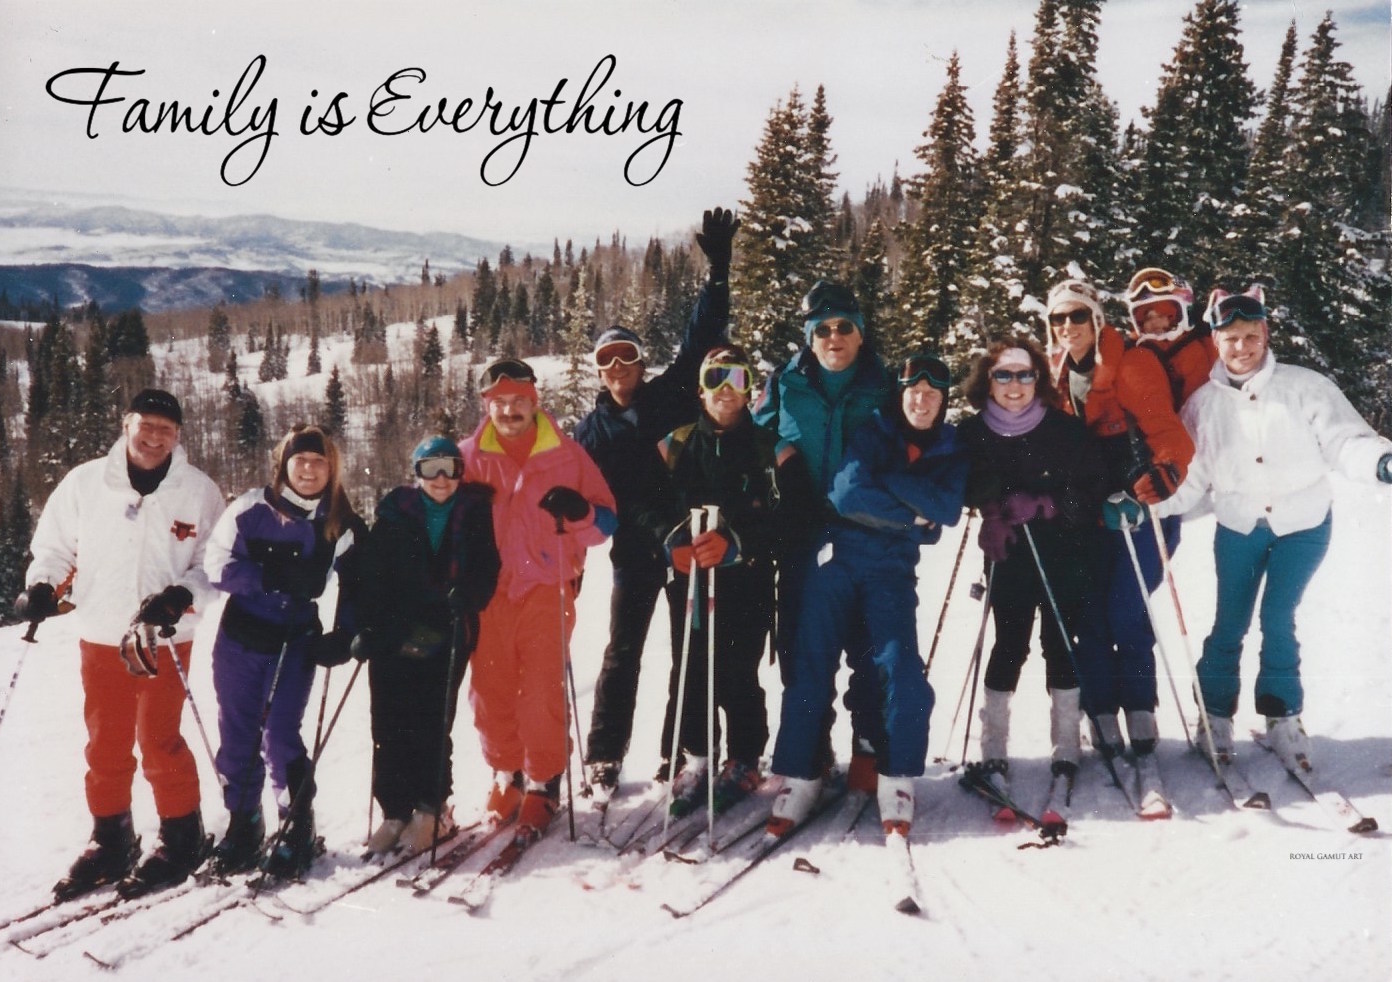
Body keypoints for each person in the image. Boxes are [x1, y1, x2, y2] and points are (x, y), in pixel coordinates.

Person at [1147, 284, 1392, 771]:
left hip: (1303, 523)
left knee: (1279, 618)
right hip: (1239, 525)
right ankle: (1214, 714)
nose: (1242, 348)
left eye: (1250, 336)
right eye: (1231, 338)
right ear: (1215, 341)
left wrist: (1380, 461)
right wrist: (1151, 507)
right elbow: (1192, 479)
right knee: (1229, 623)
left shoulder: (1305, 386)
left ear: (1265, 333)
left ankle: (1283, 716)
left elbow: (1345, 440)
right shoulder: (1202, 405)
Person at [16, 389, 225, 901]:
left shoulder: (197, 490)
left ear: (179, 436)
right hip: (102, 631)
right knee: (105, 741)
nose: (155, 438)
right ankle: (111, 837)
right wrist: (43, 584)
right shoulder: (87, 482)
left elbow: (213, 563)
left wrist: (181, 596)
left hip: (164, 637)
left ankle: (182, 835)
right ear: (126, 423)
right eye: (146, 425)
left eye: (167, 430)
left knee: (158, 738)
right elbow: (54, 546)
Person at [769, 352, 967, 837]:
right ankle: (801, 771)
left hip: (891, 573)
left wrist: (896, 490)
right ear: (901, 395)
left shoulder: (949, 445)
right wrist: (912, 513)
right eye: (913, 392)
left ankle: (896, 774)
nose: (921, 401)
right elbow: (847, 495)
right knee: (812, 662)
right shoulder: (876, 431)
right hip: (837, 560)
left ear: (943, 401)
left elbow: (948, 508)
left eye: (932, 394)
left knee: (900, 667)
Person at [575, 206, 736, 795]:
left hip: (691, 542)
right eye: (606, 361)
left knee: (689, 651)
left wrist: (718, 273)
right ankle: (604, 755)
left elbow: (702, 340)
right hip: (638, 552)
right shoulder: (588, 437)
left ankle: (681, 749)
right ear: (596, 373)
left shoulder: (670, 395)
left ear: (642, 363)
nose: (618, 368)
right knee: (623, 652)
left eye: (628, 357)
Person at [635, 346, 815, 818]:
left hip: (747, 578)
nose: (726, 389)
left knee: (739, 668)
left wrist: (742, 543)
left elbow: (798, 516)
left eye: (736, 377)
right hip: (691, 577)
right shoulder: (673, 445)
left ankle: (743, 756)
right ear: (701, 388)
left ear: (750, 387)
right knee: (691, 665)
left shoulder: (771, 448)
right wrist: (668, 541)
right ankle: (697, 757)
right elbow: (643, 505)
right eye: (716, 378)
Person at [753, 279, 893, 823]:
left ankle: (868, 744)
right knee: (801, 647)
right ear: (809, 337)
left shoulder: (884, 383)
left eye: (844, 328)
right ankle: (808, 753)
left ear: (859, 333)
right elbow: (757, 431)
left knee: (866, 641)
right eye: (824, 329)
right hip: (803, 532)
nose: (834, 338)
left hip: (865, 532)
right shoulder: (785, 382)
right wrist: (783, 451)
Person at [460, 358, 616, 840]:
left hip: (547, 587)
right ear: (488, 406)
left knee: (542, 689)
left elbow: (606, 523)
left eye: (519, 401)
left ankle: (544, 782)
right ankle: (507, 774)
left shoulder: (566, 455)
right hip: (489, 592)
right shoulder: (469, 456)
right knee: (490, 690)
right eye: (500, 403)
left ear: (534, 402)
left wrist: (579, 511)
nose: (509, 411)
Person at [203, 424, 364, 879]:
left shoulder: (340, 522)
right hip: (242, 635)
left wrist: (344, 633)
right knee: (237, 732)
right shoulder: (251, 508)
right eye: (300, 461)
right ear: (284, 465)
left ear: (331, 468)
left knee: (279, 735)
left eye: (318, 462)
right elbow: (217, 564)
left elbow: (357, 583)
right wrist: (267, 578)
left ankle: (296, 828)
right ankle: (244, 824)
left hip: (295, 638)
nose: (309, 469)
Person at [1045, 277, 1194, 761]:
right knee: (1088, 609)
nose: (1069, 327)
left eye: (1078, 316)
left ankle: (1139, 705)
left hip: (1141, 510)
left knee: (1124, 606)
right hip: (1090, 512)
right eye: (1058, 318)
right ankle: (1102, 708)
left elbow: (1168, 431)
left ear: (1097, 319)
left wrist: (1163, 472)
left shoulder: (1132, 364)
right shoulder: (1058, 374)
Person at [955, 339, 1106, 801]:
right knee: (1010, 643)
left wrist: (1047, 503)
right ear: (987, 381)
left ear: (1038, 379)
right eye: (1003, 375)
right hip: (1010, 552)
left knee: (1061, 642)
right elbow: (962, 479)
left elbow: (1093, 487)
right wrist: (989, 511)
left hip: (1064, 549)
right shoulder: (972, 431)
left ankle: (1066, 744)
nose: (1014, 385)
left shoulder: (1063, 429)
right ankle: (993, 746)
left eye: (1024, 375)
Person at [356, 436, 500, 858]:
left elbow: (487, 566)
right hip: (395, 628)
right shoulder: (394, 512)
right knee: (388, 722)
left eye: (450, 468)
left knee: (431, 719)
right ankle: (395, 810)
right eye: (430, 468)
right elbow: (371, 573)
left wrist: (468, 595)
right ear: (416, 474)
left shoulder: (474, 513)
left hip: (445, 625)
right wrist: (367, 627)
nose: (441, 479)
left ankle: (430, 807)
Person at [1123, 267, 1216, 410]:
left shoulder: (1194, 349)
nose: (1154, 323)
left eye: (1162, 315)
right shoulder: (1136, 352)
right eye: (1147, 318)